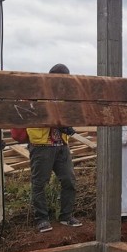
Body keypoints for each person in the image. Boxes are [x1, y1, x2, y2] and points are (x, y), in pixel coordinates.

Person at [29, 64, 82, 232]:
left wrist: (67, 125)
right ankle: (41, 219)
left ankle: (66, 216)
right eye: (60, 79)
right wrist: (60, 124)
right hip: (42, 145)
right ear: (51, 76)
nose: (62, 83)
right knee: (39, 183)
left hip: (61, 145)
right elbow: (36, 115)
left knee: (69, 180)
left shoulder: (64, 96)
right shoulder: (38, 93)